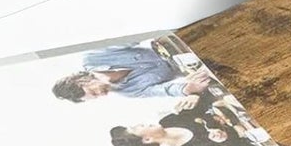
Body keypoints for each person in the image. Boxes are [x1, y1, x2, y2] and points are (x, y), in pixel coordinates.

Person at [53, 44, 214, 102]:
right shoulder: (129, 93)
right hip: (196, 66)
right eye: (95, 98)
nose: (101, 95)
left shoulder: (93, 57)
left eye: (94, 92)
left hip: (176, 44)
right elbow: (164, 91)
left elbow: (128, 39)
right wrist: (188, 89)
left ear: (82, 81)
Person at [110, 110, 258, 146]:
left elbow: (203, 108)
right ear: (147, 139)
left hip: (239, 113)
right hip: (256, 132)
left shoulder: (168, 120)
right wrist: (226, 139)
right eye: (137, 128)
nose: (141, 123)